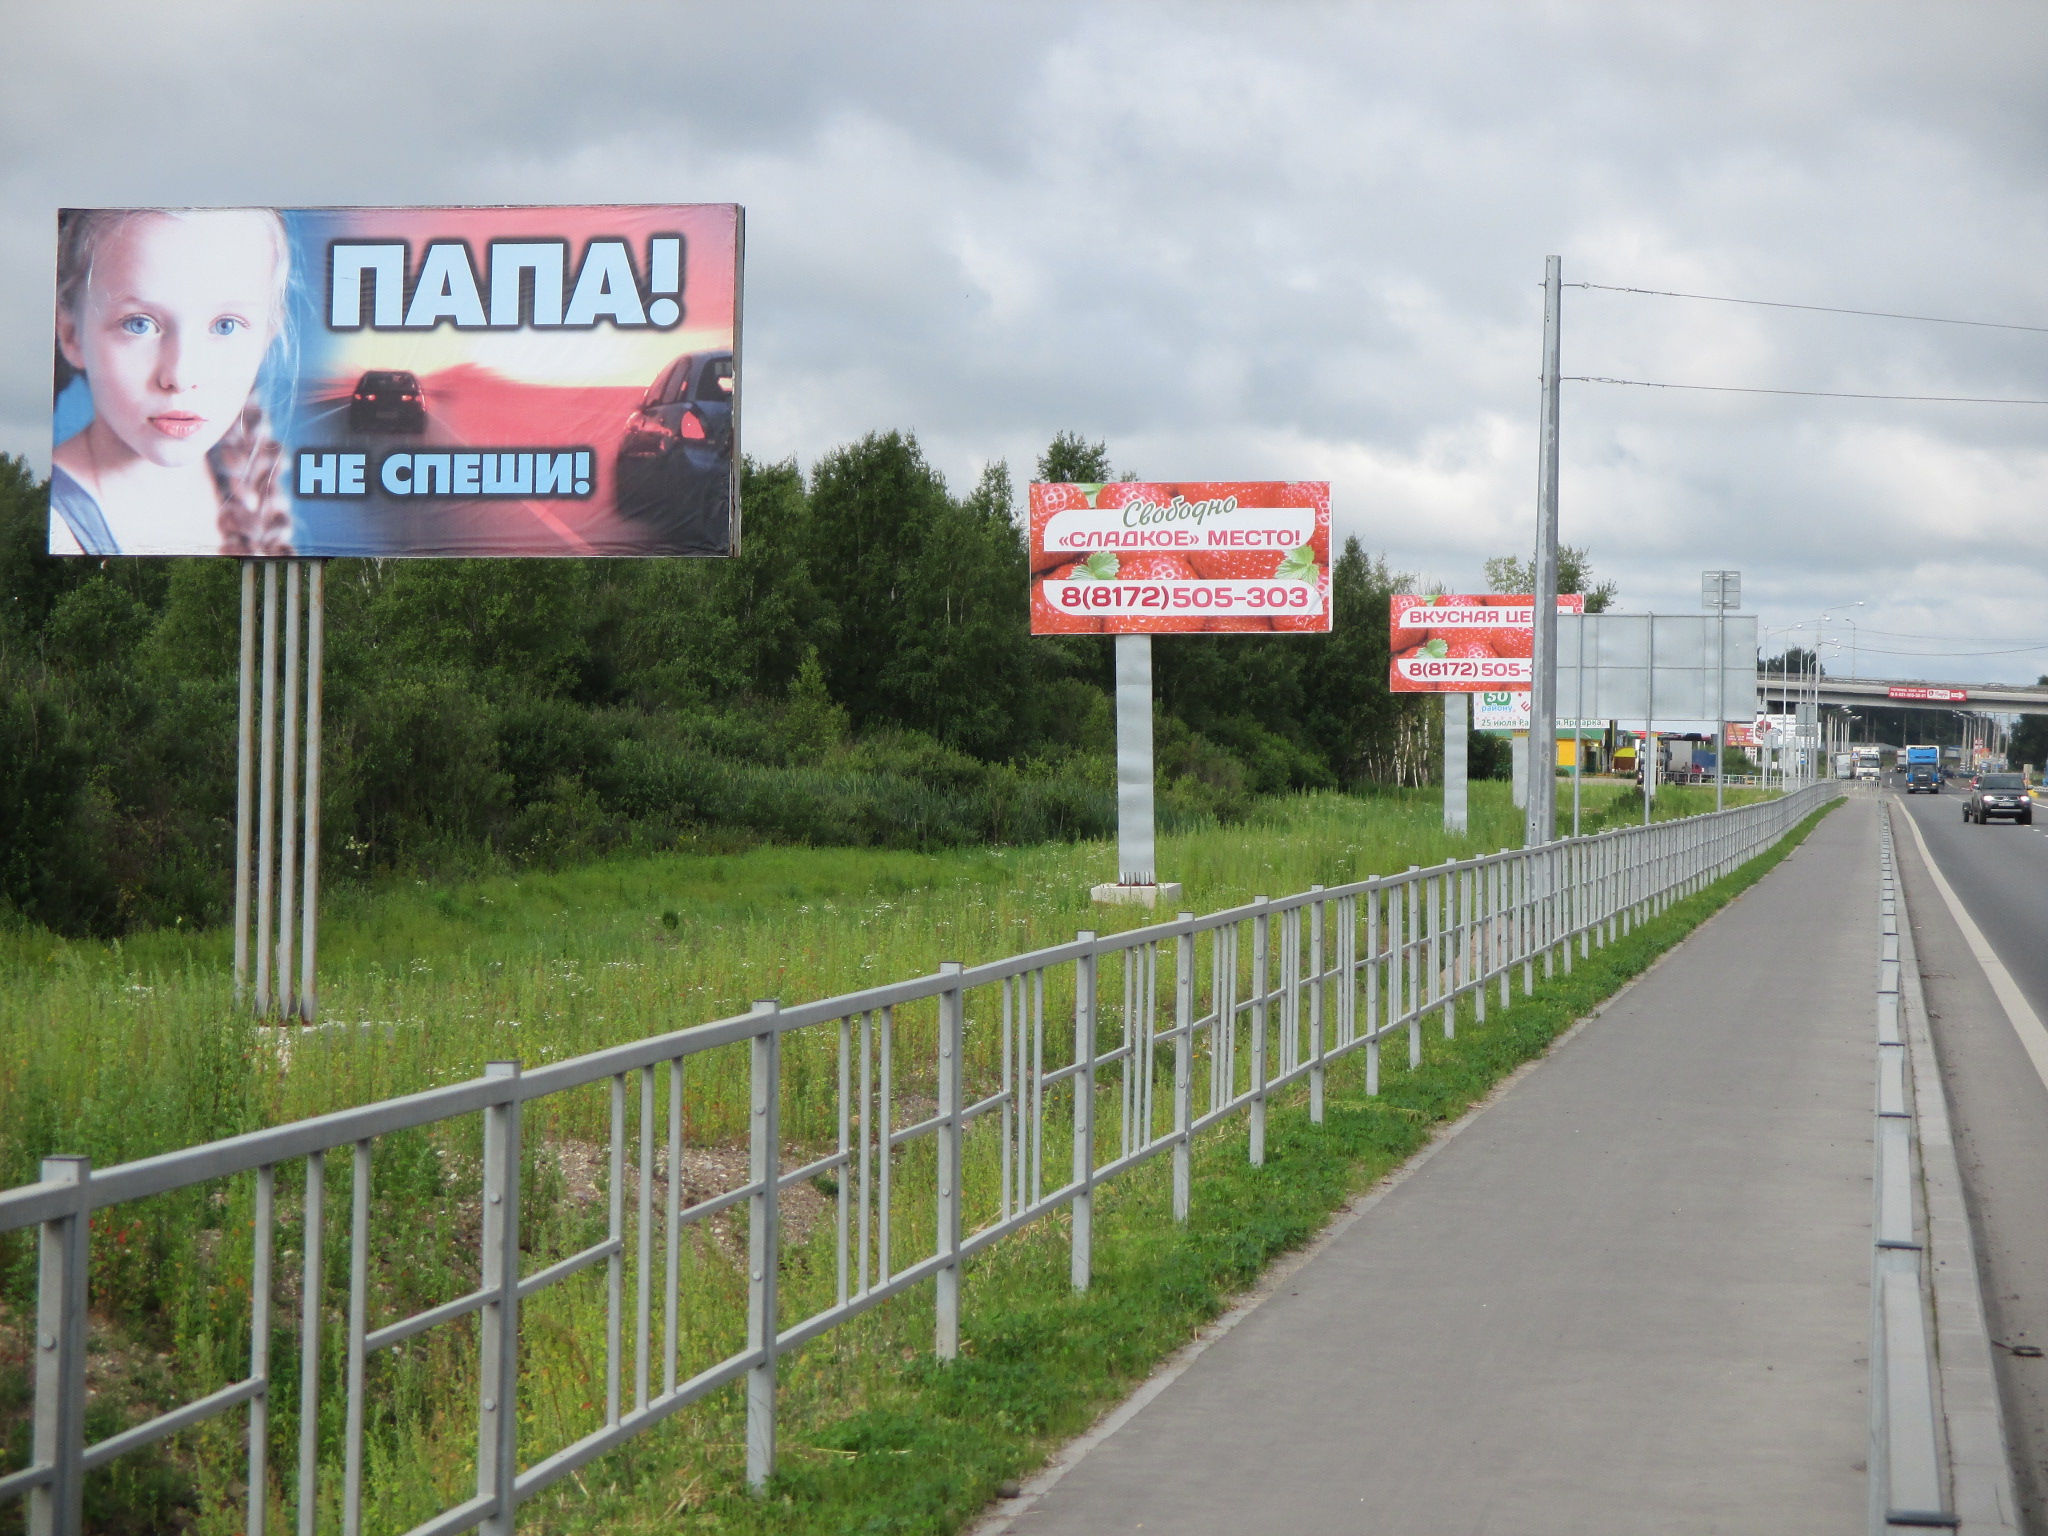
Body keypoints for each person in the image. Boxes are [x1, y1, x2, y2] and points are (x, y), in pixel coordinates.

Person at [50, 207, 294, 556]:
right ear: (71, 334)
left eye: (225, 325)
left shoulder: (237, 484)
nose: (180, 377)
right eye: (139, 324)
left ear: (268, 335)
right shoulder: (57, 521)